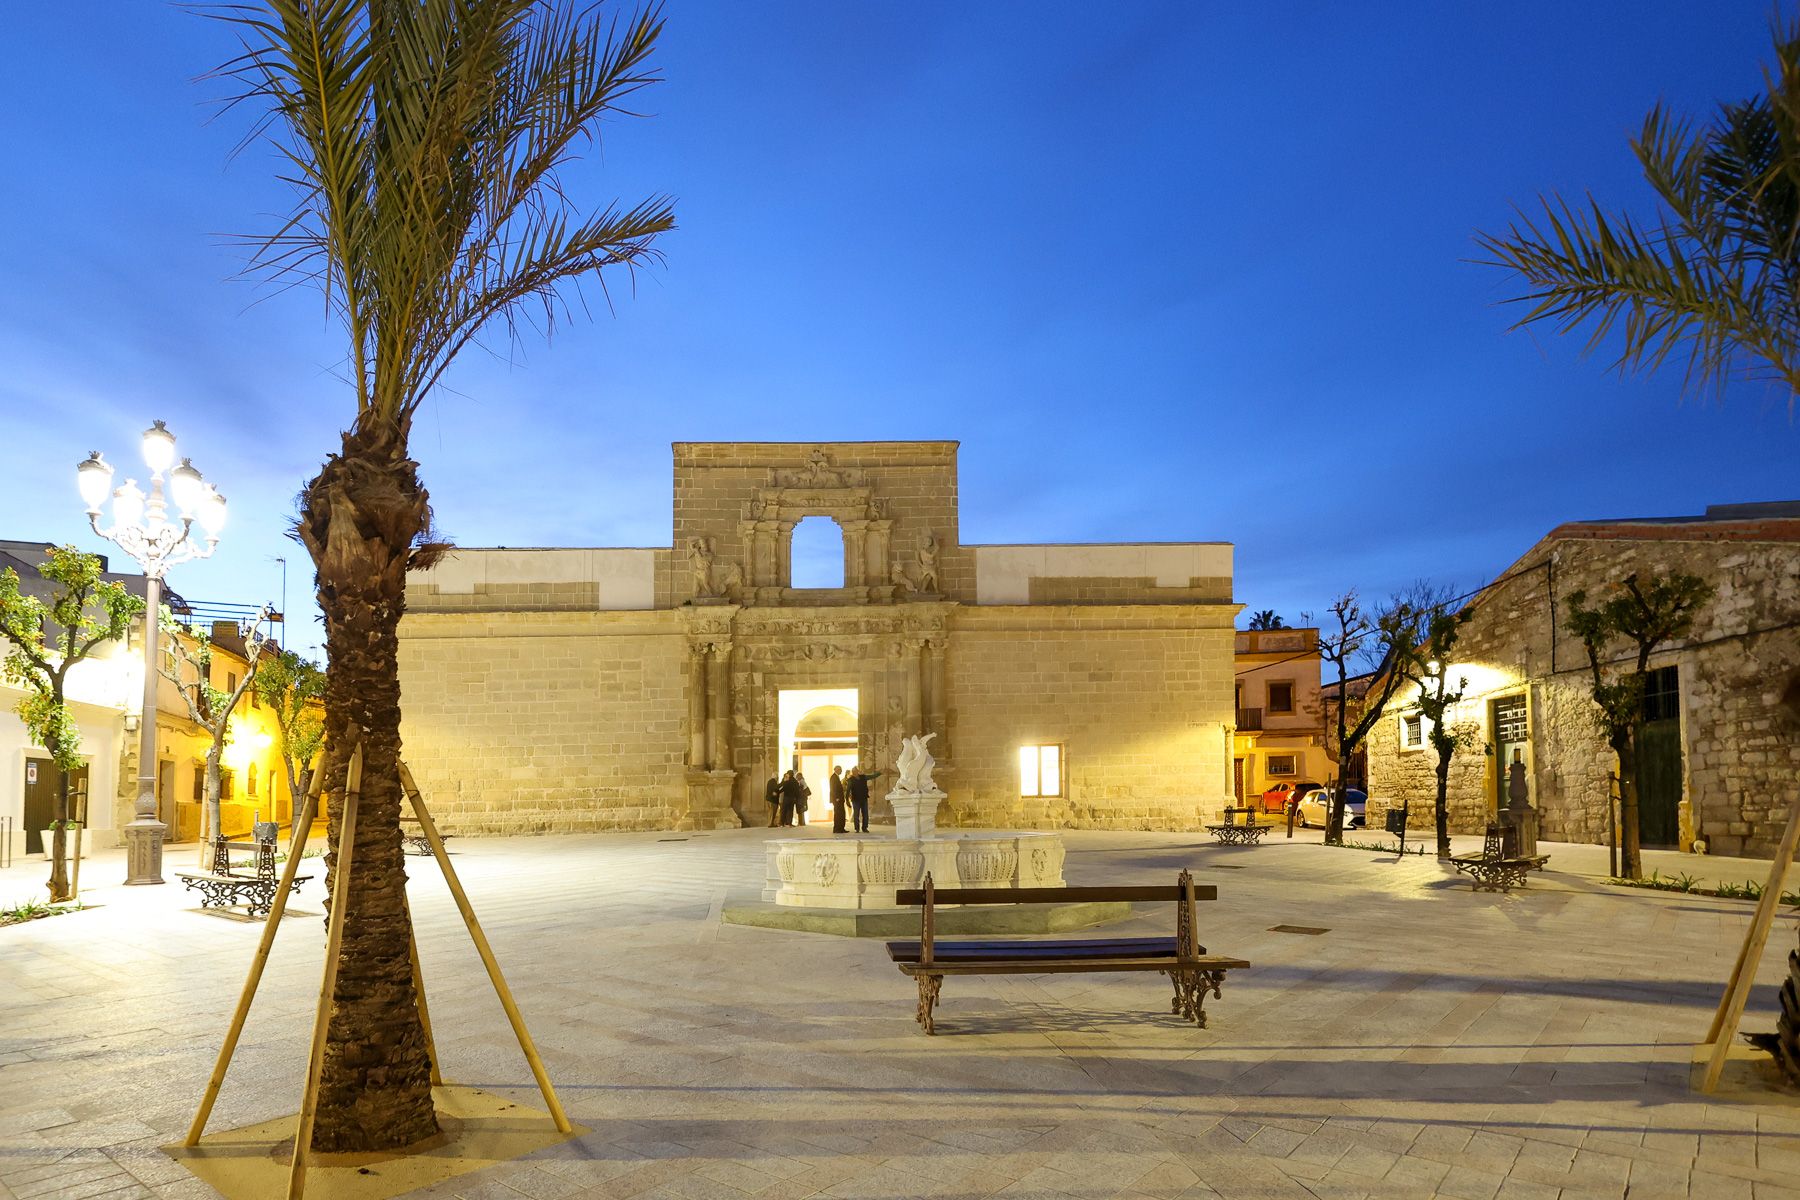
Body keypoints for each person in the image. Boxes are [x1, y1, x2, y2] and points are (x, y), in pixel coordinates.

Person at [846, 764, 884, 834]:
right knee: (856, 815)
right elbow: (848, 790)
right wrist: (847, 800)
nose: (855, 772)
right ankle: (857, 828)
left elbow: (872, 776)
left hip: (864, 799)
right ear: (852, 772)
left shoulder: (863, 777)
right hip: (855, 800)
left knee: (865, 814)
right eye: (854, 771)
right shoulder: (850, 780)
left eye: (856, 770)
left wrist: (879, 773)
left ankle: (864, 828)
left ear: (857, 771)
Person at [829, 765, 848, 834]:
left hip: (840, 799)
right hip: (837, 799)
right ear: (836, 770)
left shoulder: (836, 777)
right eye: (840, 769)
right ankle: (837, 829)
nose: (841, 771)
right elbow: (833, 789)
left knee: (841, 813)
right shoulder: (833, 777)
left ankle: (841, 828)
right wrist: (836, 798)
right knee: (838, 814)